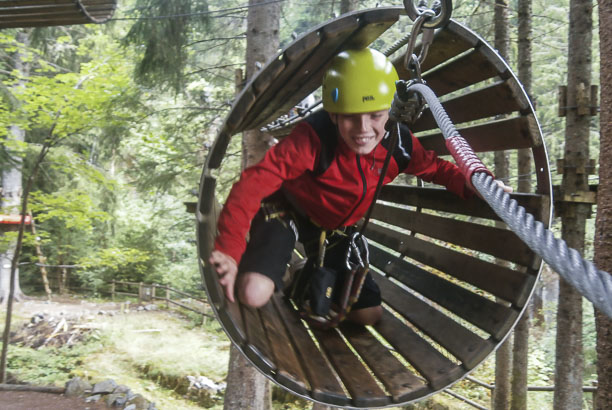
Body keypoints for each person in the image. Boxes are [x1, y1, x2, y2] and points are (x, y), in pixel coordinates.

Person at [209, 47, 510, 326]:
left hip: (338, 230)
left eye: (376, 115)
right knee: (253, 295)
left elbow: (437, 169)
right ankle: (287, 268)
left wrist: (478, 185)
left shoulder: (398, 143)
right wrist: (229, 248)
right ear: (334, 114)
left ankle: (303, 276)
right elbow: (255, 182)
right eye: (351, 118)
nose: (364, 130)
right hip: (289, 211)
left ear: (389, 113)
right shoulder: (313, 138)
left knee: (367, 315)